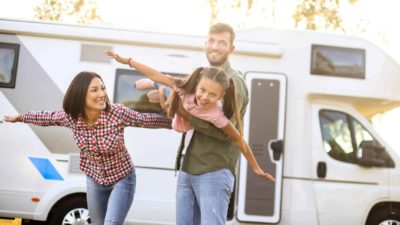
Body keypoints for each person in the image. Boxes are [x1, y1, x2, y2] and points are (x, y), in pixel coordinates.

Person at [107, 23, 274, 225]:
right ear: (205, 44)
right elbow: (163, 79)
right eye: (211, 40)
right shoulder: (201, 77)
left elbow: (225, 133)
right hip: (189, 165)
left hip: (213, 168)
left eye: (222, 42)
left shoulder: (233, 82)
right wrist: (130, 63)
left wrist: (178, 109)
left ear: (231, 49)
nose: (214, 46)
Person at [3, 71, 171, 225]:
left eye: (102, 88)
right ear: (81, 94)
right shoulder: (71, 118)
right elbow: (47, 117)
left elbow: (146, 120)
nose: (102, 94)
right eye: (95, 90)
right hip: (95, 180)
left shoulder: (117, 113)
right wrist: (21, 118)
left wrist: (176, 123)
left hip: (122, 178)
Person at [107, 51, 273, 181]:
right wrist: (128, 61)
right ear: (197, 86)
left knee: (178, 126)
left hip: (188, 115)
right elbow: (156, 74)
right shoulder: (186, 88)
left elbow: (238, 139)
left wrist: (255, 167)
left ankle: (162, 94)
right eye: (202, 90)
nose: (205, 97)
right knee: (166, 85)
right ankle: (159, 89)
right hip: (182, 97)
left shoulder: (216, 114)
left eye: (212, 95)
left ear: (220, 97)